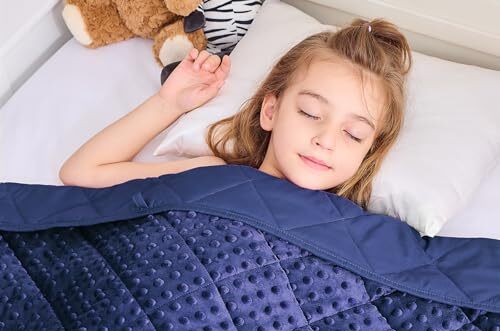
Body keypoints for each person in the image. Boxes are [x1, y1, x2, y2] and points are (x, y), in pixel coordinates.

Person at [59, 17, 412, 210]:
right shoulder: (212, 174)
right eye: (310, 112)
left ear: (369, 149)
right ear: (271, 111)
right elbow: (81, 173)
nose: (326, 140)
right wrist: (168, 104)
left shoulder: (367, 234)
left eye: (353, 134)